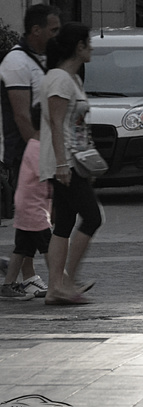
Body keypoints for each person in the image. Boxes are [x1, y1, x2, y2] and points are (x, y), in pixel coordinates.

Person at [40, 22, 101, 305]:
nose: (91, 48)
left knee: (63, 224)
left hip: (72, 161)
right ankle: (65, 281)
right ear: (79, 46)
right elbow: (55, 122)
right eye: (88, 43)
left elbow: (73, 125)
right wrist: (63, 165)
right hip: (64, 162)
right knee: (92, 216)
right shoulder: (59, 79)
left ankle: (56, 287)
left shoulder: (71, 80)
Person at [0, 4, 59, 292]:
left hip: (34, 150)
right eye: (53, 30)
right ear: (36, 30)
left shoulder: (39, 59)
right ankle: (55, 281)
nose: (56, 35)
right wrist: (43, 152)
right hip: (24, 152)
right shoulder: (17, 63)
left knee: (28, 221)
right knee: (34, 219)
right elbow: (21, 116)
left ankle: (24, 278)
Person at [0, 137, 52, 301]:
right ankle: (62, 282)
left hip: (27, 208)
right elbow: (48, 174)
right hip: (34, 210)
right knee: (49, 248)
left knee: (22, 248)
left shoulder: (32, 145)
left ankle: (8, 285)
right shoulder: (39, 147)